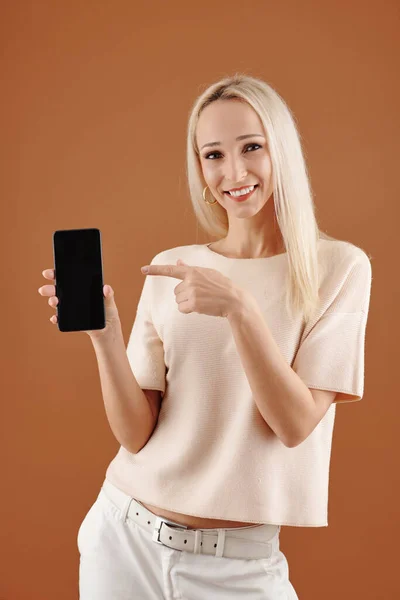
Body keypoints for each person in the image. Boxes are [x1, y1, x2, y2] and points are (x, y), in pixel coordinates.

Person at [38, 73, 372, 599]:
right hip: (123, 539)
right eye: (213, 155)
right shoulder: (173, 267)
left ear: (279, 149)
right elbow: (134, 435)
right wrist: (106, 337)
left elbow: (294, 424)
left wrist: (239, 309)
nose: (233, 172)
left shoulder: (338, 269)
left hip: (237, 569)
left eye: (252, 147)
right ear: (199, 167)